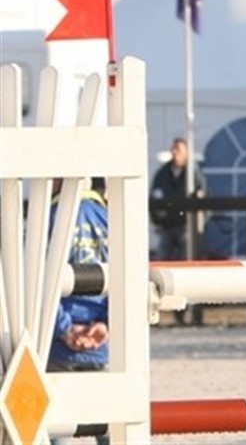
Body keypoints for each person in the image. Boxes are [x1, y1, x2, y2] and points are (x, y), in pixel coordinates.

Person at [48, 177, 110, 445]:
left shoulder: (50, 217)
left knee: (56, 424)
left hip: (57, 342)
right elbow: (129, 276)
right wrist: (106, 324)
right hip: (99, 341)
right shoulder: (111, 218)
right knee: (110, 425)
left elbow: (37, 279)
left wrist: (64, 328)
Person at [150, 137, 203, 261]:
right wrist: (157, 219)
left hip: (186, 226)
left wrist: (197, 224)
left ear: (186, 153)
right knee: (162, 258)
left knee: (186, 259)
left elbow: (201, 197)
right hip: (166, 225)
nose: (174, 153)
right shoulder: (163, 173)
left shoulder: (193, 174)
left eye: (178, 150)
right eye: (173, 149)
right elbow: (154, 195)